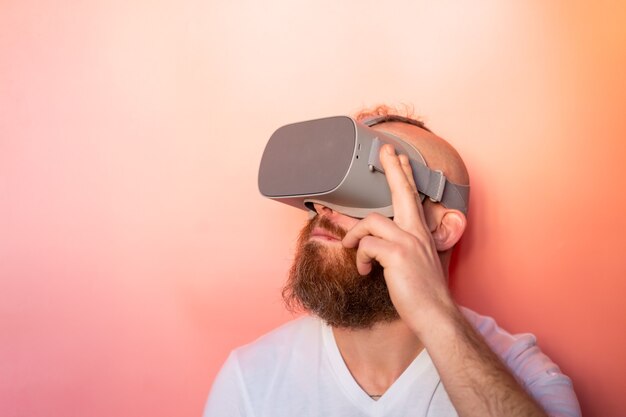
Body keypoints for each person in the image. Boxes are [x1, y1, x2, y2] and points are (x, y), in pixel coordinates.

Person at [203, 106, 581, 417]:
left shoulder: (526, 377)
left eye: (376, 181)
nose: (324, 208)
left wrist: (433, 312)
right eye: (327, 190)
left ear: (441, 229)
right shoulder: (251, 380)